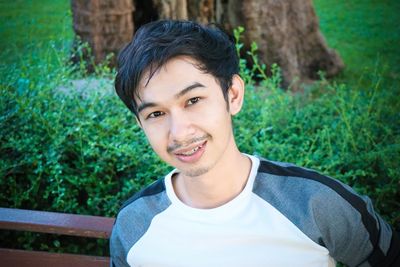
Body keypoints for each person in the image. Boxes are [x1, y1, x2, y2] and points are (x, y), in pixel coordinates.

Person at [110, 20, 399, 267]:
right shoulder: (134, 225)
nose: (179, 132)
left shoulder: (314, 203)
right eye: (156, 114)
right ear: (140, 123)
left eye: (193, 100)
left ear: (233, 94)